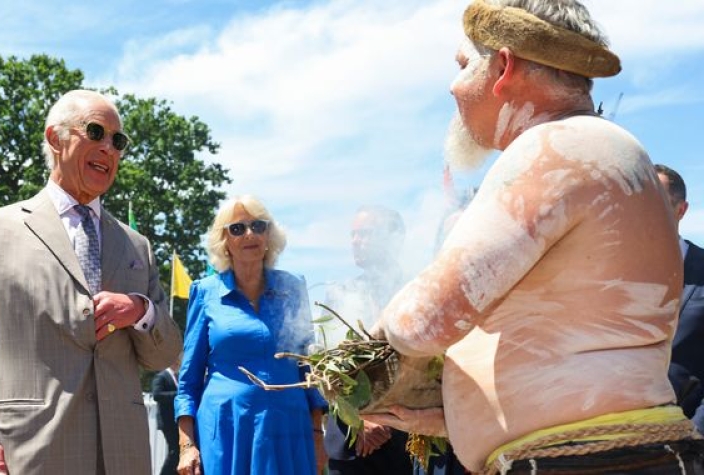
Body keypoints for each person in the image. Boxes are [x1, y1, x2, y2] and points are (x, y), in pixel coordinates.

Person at [364, 0, 704, 473]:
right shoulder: (602, 148)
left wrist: (364, 347)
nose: (453, 86)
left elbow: (423, 322)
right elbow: (564, 347)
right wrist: (454, 415)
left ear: (503, 67)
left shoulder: (559, 147)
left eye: (464, 65)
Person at [0, 89, 182, 475]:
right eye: (96, 132)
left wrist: (141, 310)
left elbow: (162, 354)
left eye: (118, 141)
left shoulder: (137, 245)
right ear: (56, 138)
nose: (110, 148)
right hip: (28, 454)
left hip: (124, 457)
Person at [174, 195, 328, 475]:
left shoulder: (293, 287)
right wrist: (187, 446)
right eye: (237, 228)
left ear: (269, 234)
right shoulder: (205, 291)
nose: (250, 234)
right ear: (225, 241)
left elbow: (309, 368)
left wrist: (318, 436)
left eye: (259, 226)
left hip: (290, 430)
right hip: (227, 431)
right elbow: (189, 381)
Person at [319, 205, 413, 475]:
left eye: (366, 234)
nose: (355, 242)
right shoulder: (339, 295)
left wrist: (390, 421)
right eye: (353, 235)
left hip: (407, 444)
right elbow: (326, 373)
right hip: (353, 445)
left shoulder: (416, 292)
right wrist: (360, 420)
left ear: (394, 237)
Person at [655, 164, 704, 434]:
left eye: (655, 203)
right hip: (615, 442)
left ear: (681, 210)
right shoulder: (609, 276)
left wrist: (696, 436)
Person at [152, 355, 181, 475]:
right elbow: (157, 395)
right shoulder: (161, 376)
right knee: (174, 451)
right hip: (167, 421)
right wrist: (177, 394)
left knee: (177, 451)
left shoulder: (177, 377)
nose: (178, 362)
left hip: (175, 421)